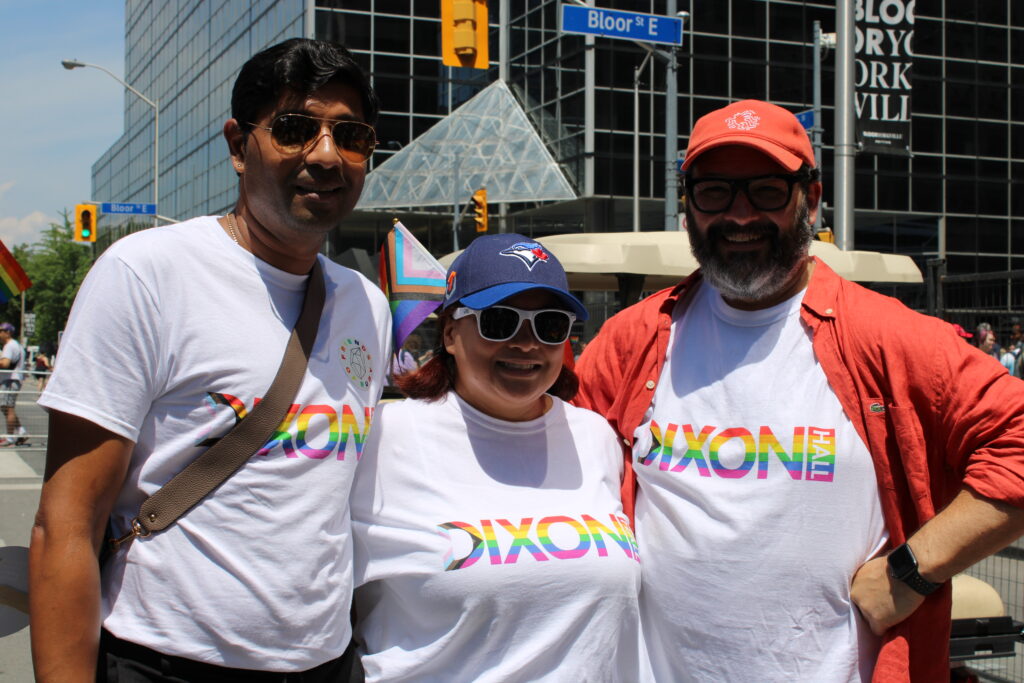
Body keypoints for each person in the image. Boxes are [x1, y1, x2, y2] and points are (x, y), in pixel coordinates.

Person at [574, 99, 1024, 681]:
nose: (739, 215)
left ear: (809, 199)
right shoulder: (633, 339)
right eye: (715, 191)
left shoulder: (888, 339)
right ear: (687, 206)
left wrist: (914, 569)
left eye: (765, 191)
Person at [30, 38, 391, 682]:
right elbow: (66, 525)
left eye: (352, 134)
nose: (328, 155)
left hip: (324, 664)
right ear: (236, 144)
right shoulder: (147, 275)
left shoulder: (367, 303)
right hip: (166, 663)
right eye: (294, 129)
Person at [351, 233, 645, 682]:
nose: (526, 343)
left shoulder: (594, 437)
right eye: (500, 321)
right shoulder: (385, 439)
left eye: (549, 325)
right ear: (450, 332)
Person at [0, 322, 28, 446]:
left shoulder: (9, 346)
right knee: (6, 407)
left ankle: (10, 438)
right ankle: (21, 431)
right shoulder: (16, 345)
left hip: (10, 379)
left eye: (1, 331)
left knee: (8, 408)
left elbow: (5, 364)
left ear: (8, 332)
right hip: (13, 379)